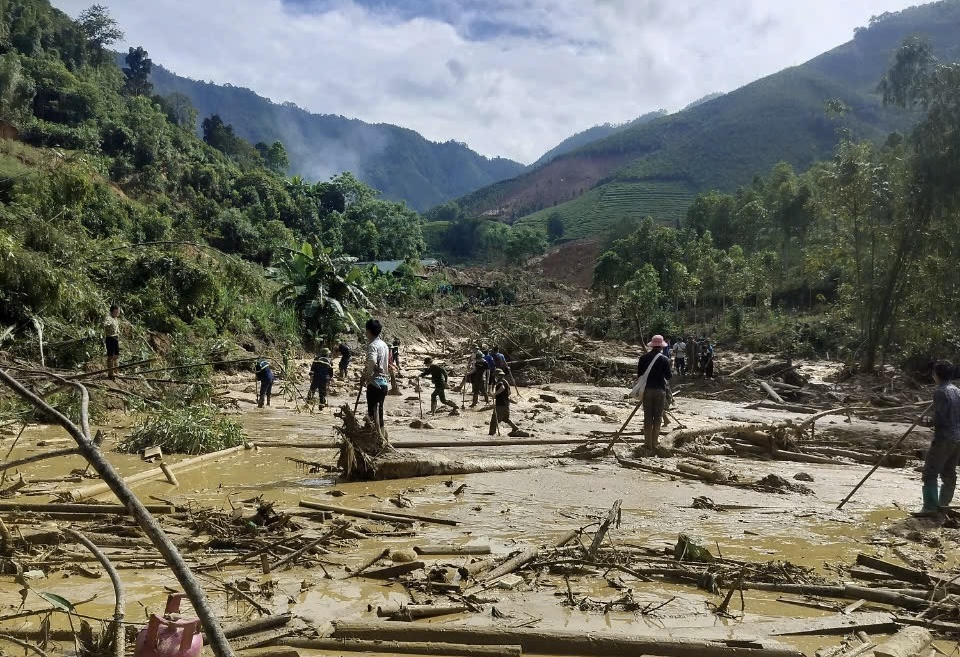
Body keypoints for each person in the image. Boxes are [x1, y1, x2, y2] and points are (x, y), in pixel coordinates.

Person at [918, 361, 960, 514]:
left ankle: (930, 508)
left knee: (930, 472)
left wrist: (925, 421)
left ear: (936, 375)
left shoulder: (940, 392)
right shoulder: (957, 390)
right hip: (958, 438)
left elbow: (941, 419)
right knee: (949, 472)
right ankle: (943, 505)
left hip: (944, 437)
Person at [636, 335, 672, 451]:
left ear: (652, 345)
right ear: (661, 347)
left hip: (647, 390)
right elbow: (668, 376)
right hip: (660, 391)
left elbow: (640, 375)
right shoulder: (665, 359)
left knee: (647, 417)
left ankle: (647, 443)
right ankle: (655, 443)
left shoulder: (643, 358)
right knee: (657, 417)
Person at [362, 318, 390, 429]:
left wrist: (367, 376)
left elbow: (372, 361)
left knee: (372, 414)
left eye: (366, 331)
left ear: (368, 331)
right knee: (379, 413)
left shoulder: (372, 345)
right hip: (384, 383)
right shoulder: (384, 345)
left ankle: (374, 440)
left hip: (374, 383)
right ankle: (381, 438)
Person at [489, 368, 527, 437]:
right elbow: (509, 393)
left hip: (500, 404)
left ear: (497, 376)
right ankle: (515, 428)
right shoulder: (506, 382)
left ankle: (491, 434)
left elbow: (502, 388)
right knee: (505, 418)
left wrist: (495, 394)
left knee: (494, 419)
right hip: (506, 403)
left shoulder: (500, 383)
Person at [103, 304, 121, 380]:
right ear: (112, 311)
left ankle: (116, 372)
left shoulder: (115, 318)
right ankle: (111, 373)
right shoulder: (108, 318)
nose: (117, 313)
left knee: (116, 355)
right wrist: (108, 323)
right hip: (110, 338)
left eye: (118, 312)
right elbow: (104, 324)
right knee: (110, 356)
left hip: (115, 338)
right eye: (116, 311)